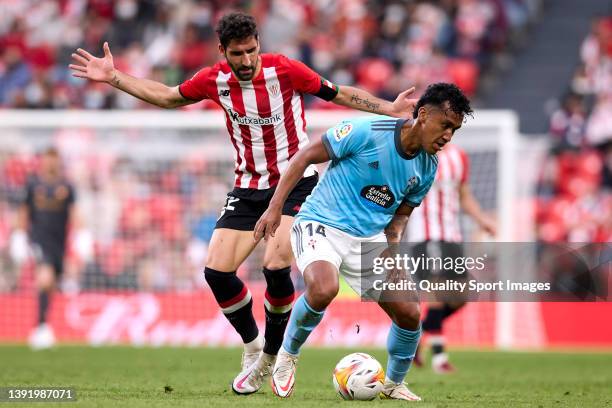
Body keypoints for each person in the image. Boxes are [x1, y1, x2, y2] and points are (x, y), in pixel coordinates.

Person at [68, 11, 417, 394]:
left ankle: (272, 357)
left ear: (259, 46)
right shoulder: (213, 80)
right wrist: (115, 77)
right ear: (223, 51)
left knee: (276, 264)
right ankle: (253, 345)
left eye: (252, 51)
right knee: (217, 273)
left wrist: (388, 108)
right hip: (247, 187)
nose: (247, 60)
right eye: (238, 53)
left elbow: (339, 93)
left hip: (296, 183)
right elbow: (168, 97)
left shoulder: (285, 71)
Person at [254, 83, 473, 400]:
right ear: (423, 115)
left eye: (454, 130)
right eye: (446, 125)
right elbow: (304, 157)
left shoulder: (428, 167)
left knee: (410, 313)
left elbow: (400, 216)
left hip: (368, 239)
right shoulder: (367, 130)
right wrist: (274, 209)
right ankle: (287, 356)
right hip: (322, 223)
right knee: (323, 288)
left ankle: (393, 383)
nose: (448, 136)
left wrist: (393, 254)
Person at [406, 143, 496, 373]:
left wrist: (482, 220)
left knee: (461, 297)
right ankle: (439, 360)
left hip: (451, 237)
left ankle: (416, 338)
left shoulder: (459, 156)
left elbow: (464, 196)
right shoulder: (414, 154)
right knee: (437, 291)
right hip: (424, 236)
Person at [10, 148, 77, 349]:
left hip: (59, 243)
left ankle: (44, 325)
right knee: (45, 278)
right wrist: (20, 235)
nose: (50, 164)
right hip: (38, 239)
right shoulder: (33, 184)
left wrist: (82, 235)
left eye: (53, 160)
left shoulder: (67, 186)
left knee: (51, 285)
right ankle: (40, 327)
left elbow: (74, 213)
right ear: (42, 162)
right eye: (47, 160)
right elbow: (23, 211)